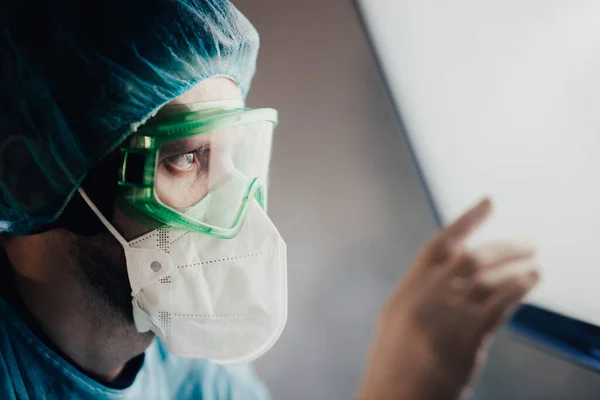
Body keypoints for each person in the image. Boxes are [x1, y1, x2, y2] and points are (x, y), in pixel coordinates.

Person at [0, 0, 541, 399]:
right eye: (187, 158)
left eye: (237, 154)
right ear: (31, 176)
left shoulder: (190, 376)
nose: (235, 210)